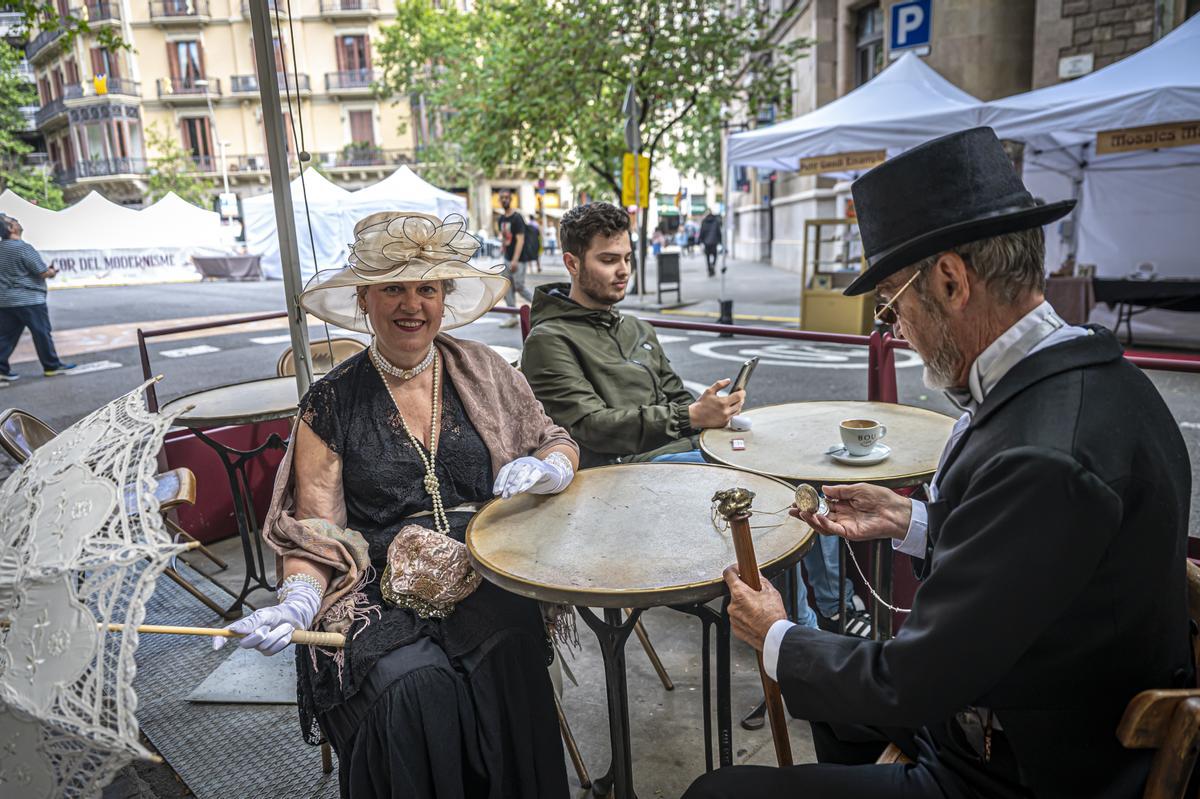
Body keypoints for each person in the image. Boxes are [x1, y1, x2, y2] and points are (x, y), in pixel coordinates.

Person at [685, 127, 1193, 798]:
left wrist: (776, 634)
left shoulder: (1046, 454)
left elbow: (910, 680)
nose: (889, 329)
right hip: (1015, 707)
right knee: (835, 711)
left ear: (951, 279)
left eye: (891, 303)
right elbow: (1030, 559)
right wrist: (913, 520)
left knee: (715, 792)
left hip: (1021, 769)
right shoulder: (1092, 375)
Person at [220, 212, 578, 798]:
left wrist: (548, 469)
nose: (411, 305)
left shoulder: (484, 370)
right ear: (364, 298)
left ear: (443, 298)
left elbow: (555, 439)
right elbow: (315, 528)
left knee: (511, 651)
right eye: (393, 287)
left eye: (426, 288)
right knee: (416, 688)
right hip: (375, 585)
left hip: (479, 569)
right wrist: (298, 598)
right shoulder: (331, 400)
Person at [521, 201, 743, 468]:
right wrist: (689, 417)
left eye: (627, 258)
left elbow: (676, 395)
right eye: (609, 260)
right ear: (572, 264)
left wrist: (712, 411)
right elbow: (592, 427)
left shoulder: (637, 328)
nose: (624, 270)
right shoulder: (548, 341)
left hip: (688, 450)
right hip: (626, 470)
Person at [0, 215, 75, 381]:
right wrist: (52, 272)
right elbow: (42, 271)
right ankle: (51, 366)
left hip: (5, 300)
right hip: (29, 299)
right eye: (14, 221)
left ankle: (1, 369)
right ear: (11, 229)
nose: (18, 222)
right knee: (41, 333)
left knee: (5, 336)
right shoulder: (23, 248)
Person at [495, 188, 531, 327]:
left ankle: (541, 306)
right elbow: (504, 238)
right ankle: (512, 316)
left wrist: (515, 259)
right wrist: (503, 249)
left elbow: (520, 239)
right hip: (507, 258)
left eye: (506, 197)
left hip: (519, 259)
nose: (504, 199)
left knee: (520, 287)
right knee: (507, 286)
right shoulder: (501, 219)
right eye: (501, 197)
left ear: (511, 199)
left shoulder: (517, 218)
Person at [699, 209, 722, 277]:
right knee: (715, 255)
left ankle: (709, 269)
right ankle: (713, 265)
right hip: (714, 242)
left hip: (706, 242)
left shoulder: (704, 221)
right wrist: (720, 241)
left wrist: (701, 240)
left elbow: (702, 232)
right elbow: (718, 232)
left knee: (707, 257)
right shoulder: (716, 221)